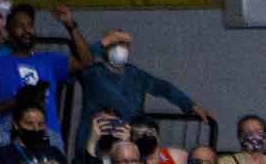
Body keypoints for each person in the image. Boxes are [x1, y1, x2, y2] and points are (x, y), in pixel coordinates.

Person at [0, 2, 87, 146]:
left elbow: (86, 60)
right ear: (8, 31)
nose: (26, 30)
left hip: (48, 134)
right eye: (20, 26)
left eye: (30, 25)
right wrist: (20, 100)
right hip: (10, 137)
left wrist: (70, 25)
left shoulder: (48, 60)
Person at [72, 27, 210, 127]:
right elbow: (81, 60)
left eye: (123, 44)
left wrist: (191, 106)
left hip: (127, 145)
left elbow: (164, 88)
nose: (119, 48)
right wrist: (104, 42)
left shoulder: (135, 75)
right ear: (105, 48)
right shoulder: (91, 73)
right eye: (113, 44)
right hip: (95, 145)